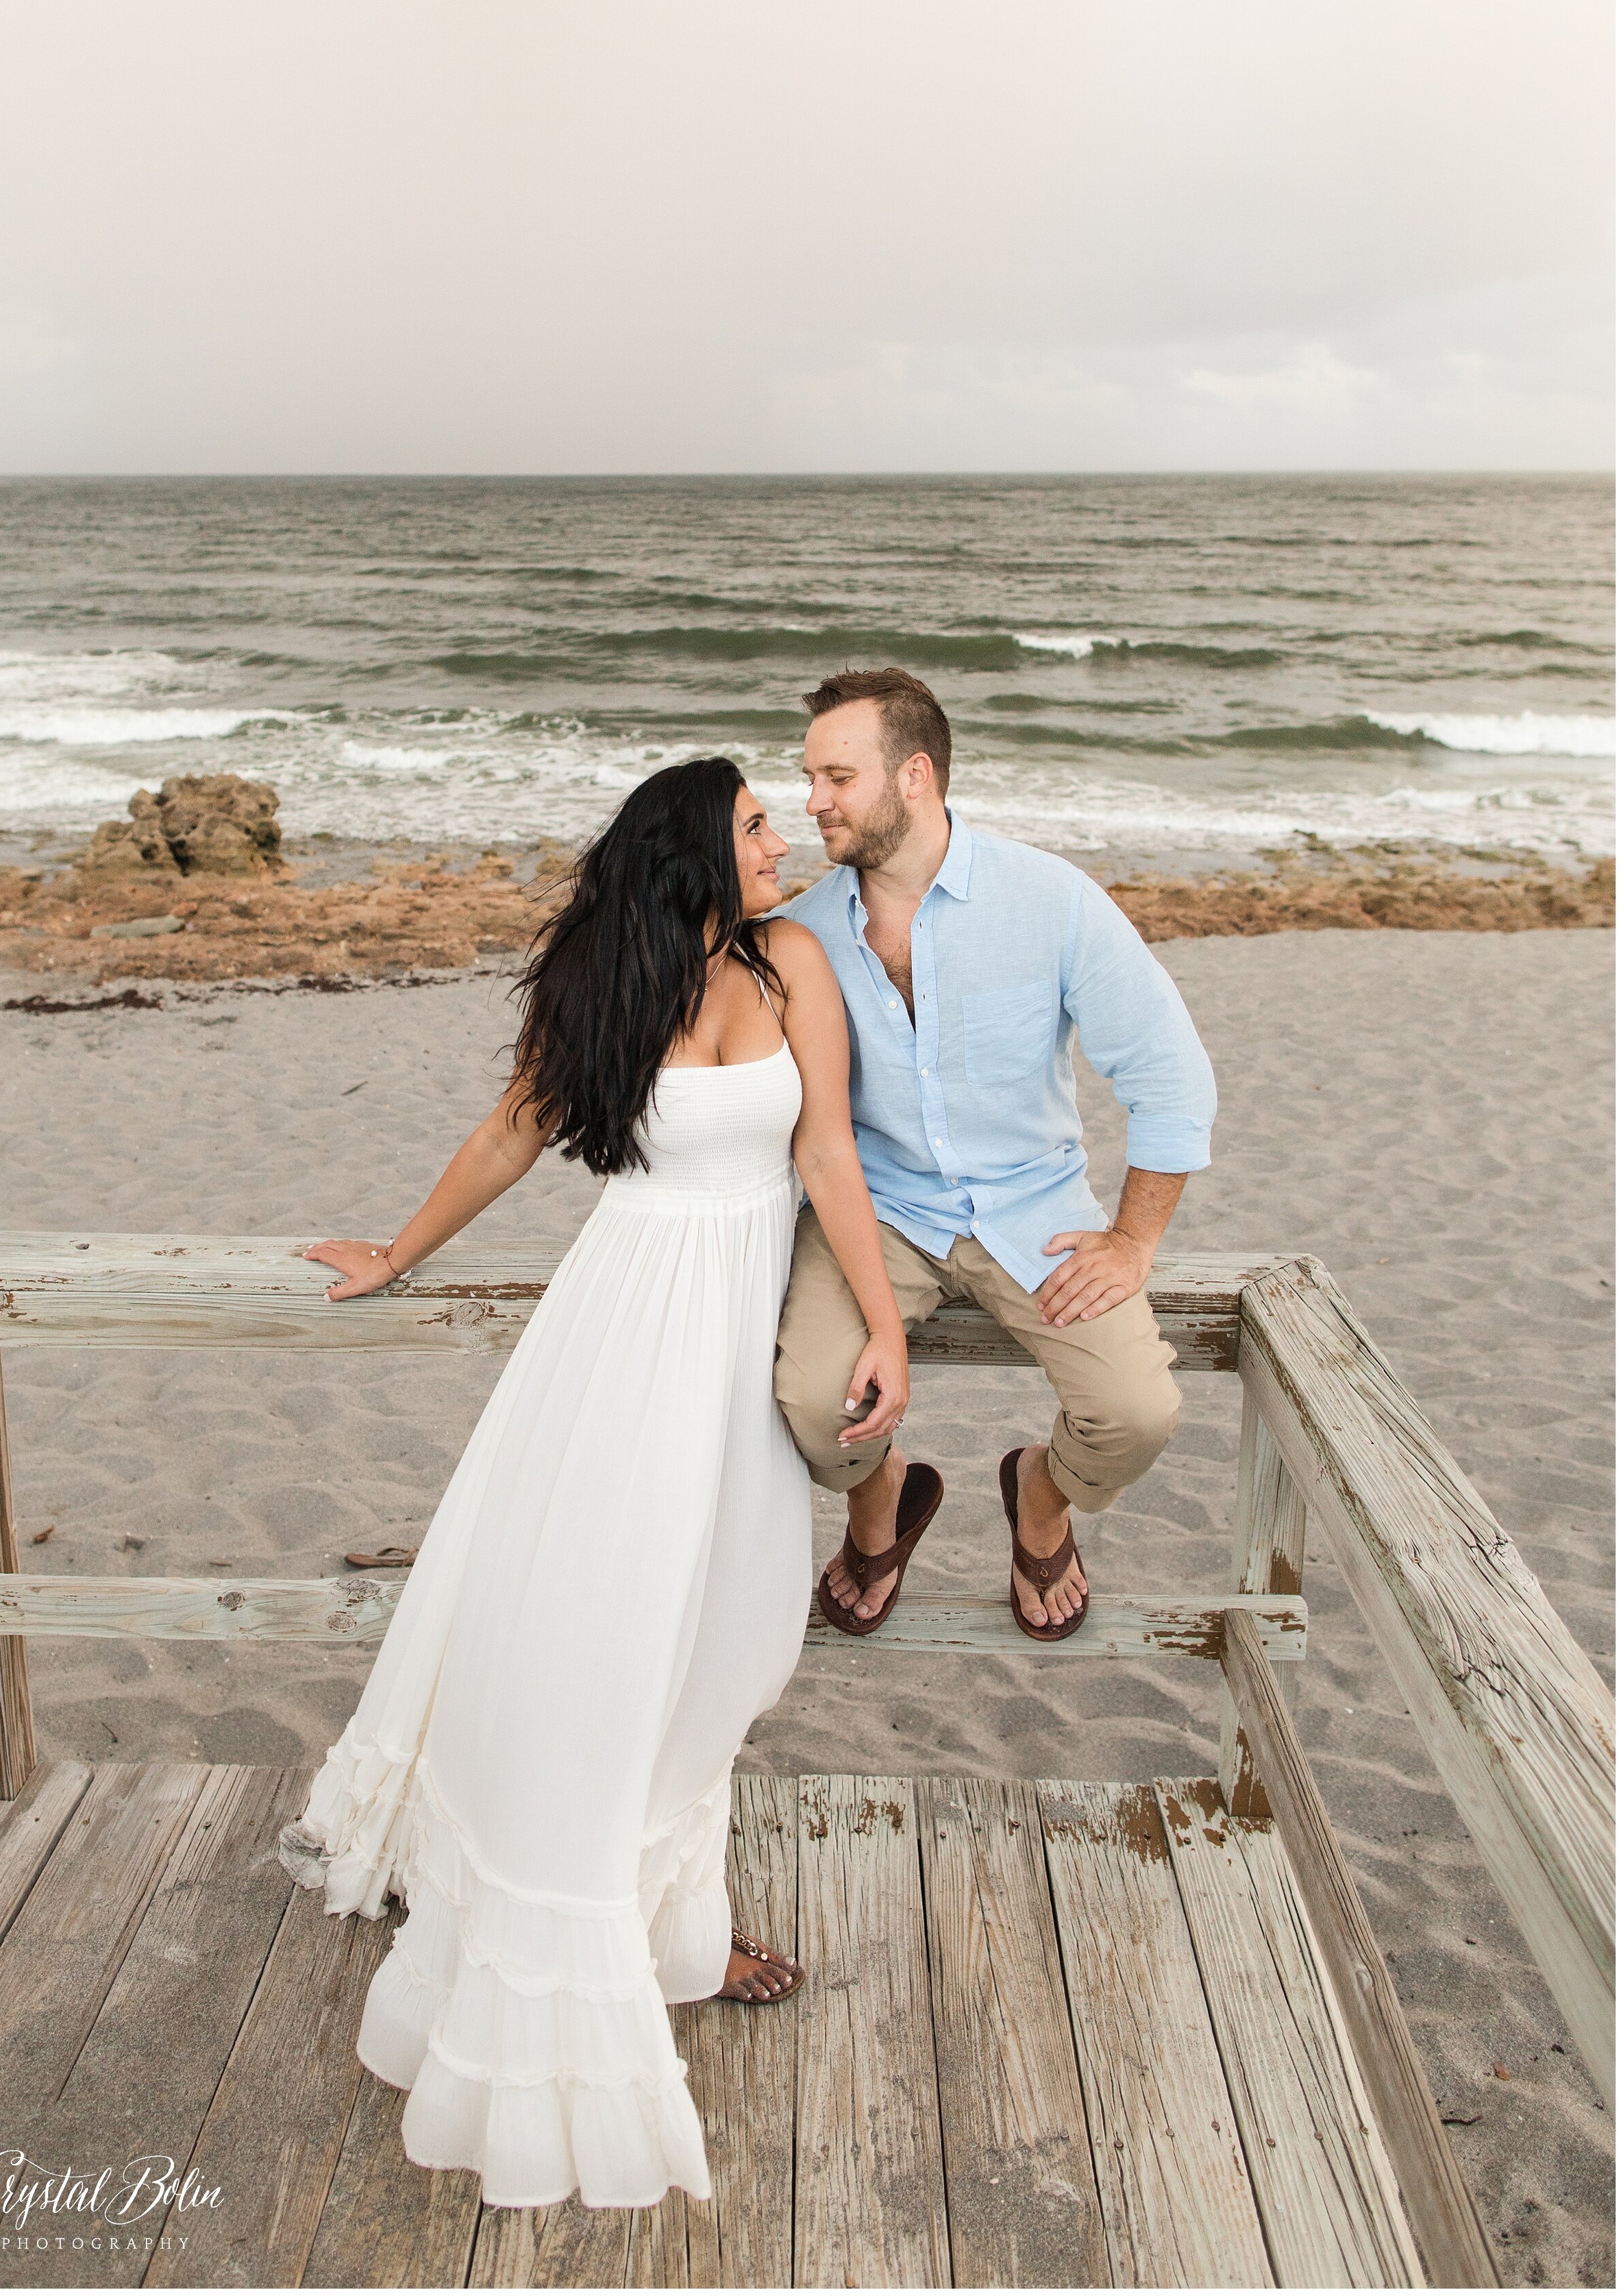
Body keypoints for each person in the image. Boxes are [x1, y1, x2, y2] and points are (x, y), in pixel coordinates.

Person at [276, 758, 910, 2209]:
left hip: (726, 1362)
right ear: (690, 851)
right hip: (616, 1336)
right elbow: (512, 1132)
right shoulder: (602, 988)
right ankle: (588, 1937)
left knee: (716, 1640)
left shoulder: (795, 958)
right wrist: (393, 1249)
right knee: (588, 1638)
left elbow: (824, 1152)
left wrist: (877, 1321)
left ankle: (674, 1932)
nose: (778, 840)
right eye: (752, 825)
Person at [772, 668, 1217, 1642]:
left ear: (916, 776)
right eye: (810, 777)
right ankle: (881, 1495)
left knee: (1136, 1416)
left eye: (838, 777)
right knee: (811, 1409)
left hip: (1034, 1209)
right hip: (880, 1215)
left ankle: (1040, 1497)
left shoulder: (1051, 900)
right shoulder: (798, 934)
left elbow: (1172, 1079)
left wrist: (1134, 1241)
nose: (812, 801)